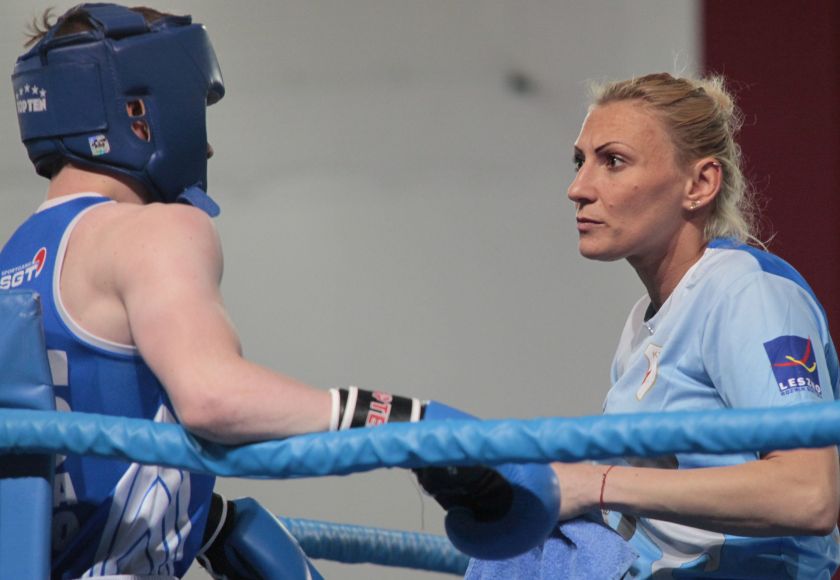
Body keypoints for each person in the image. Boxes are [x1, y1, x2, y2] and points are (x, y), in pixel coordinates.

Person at [0, 4, 559, 578]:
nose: (207, 148)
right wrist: (407, 424)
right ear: (139, 115)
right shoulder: (153, 230)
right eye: (194, 112)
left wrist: (202, 519)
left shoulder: (15, 260)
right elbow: (212, 396)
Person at [552, 72, 840, 578]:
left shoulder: (746, 292)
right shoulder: (643, 322)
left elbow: (809, 493)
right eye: (581, 162)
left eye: (613, 161)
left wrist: (596, 485)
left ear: (700, 184)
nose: (578, 189)